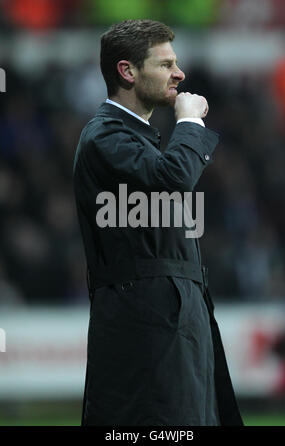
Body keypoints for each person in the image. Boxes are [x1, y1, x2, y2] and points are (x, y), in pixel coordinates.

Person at [73, 19, 243, 426]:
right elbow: (174, 178)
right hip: (146, 323)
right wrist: (189, 122)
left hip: (173, 317)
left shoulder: (136, 140)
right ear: (127, 72)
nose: (179, 74)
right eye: (166, 64)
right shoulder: (105, 137)